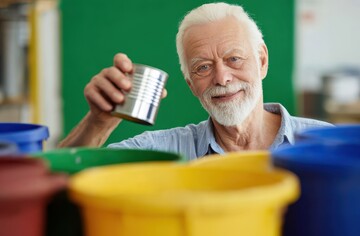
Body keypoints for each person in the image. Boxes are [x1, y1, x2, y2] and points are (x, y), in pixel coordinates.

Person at [59, 2, 332, 160]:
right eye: (202, 67)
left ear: (261, 61)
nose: (222, 78)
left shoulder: (326, 145)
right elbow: (55, 183)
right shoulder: (162, 154)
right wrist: (98, 123)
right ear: (191, 84)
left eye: (234, 59)